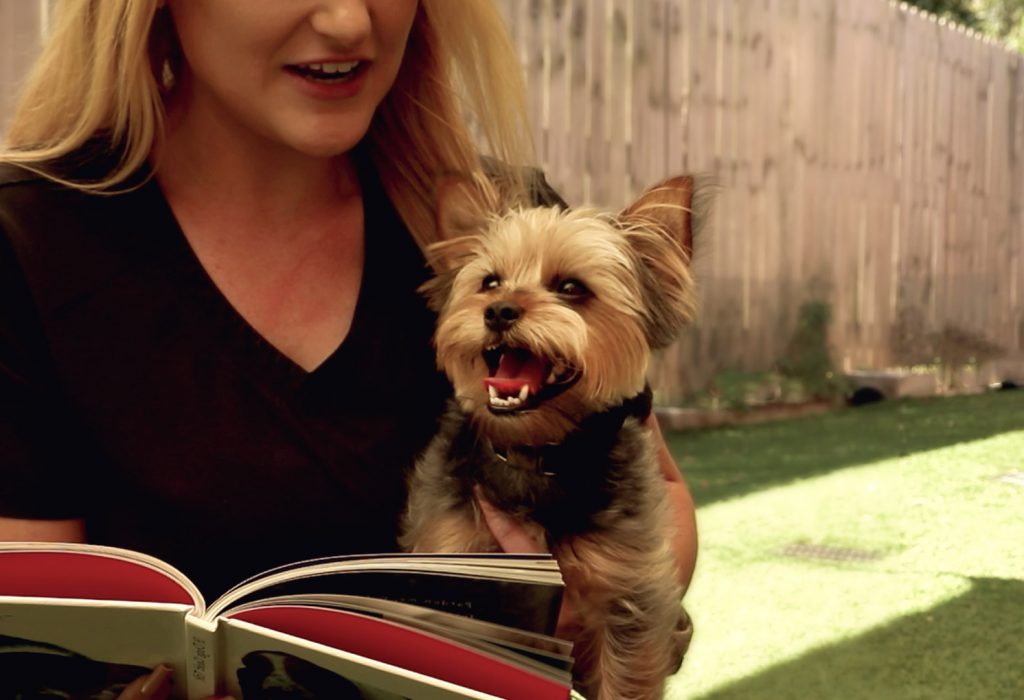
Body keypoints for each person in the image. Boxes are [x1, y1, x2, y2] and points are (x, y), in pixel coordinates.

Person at [0, 1, 698, 697]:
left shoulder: (506, 224)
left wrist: (583, 617)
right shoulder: (29, 241)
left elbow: (658, 497)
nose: (348, 23)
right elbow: (38, 649)